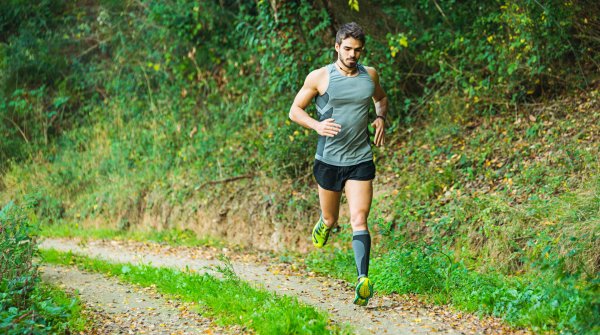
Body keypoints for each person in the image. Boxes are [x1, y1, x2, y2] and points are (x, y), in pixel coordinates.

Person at [289, 22, 388, 306]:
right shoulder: (321, 77)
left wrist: (381, 118)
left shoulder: (369, 75)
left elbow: (381, 98)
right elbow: (295, 110)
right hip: (329, 161)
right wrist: (316, 125)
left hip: (360, 159)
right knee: (332, 219)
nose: (352, 55)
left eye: (357, 50)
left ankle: (362, 280)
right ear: (337, 47)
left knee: (359, 218)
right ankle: (325, 223)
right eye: (347, 49)